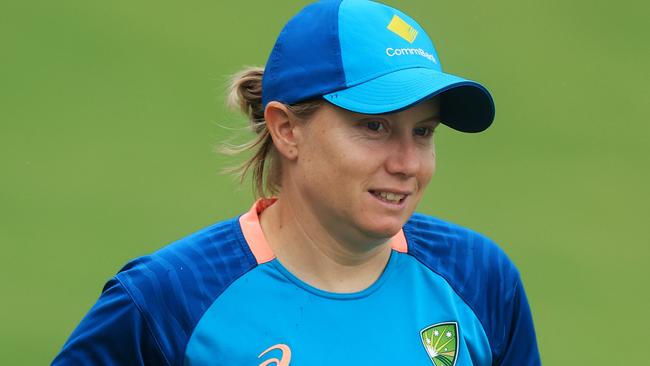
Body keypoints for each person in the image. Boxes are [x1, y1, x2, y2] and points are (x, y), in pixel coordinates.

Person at [53, 0, 540, 365]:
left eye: (423, 131)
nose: (407, 163)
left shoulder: (479, 278)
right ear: (287, 129)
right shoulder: (168, 299)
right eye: (374, 126)